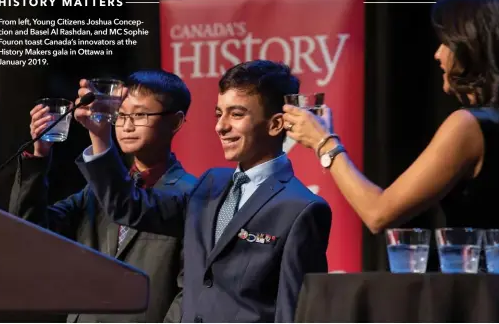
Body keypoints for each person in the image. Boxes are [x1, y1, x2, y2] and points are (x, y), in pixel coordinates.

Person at [73, 60, 332, 322]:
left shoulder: (301, 209)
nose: (221, 126)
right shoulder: (211, 184)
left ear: (276, 125)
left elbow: (296, 312)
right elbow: (128, 206)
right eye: (219, 114)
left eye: (237, 114)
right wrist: (100, 136)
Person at [282, 0, 499, 236]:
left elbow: (378, 214)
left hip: (484, 276)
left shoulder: (469, 127)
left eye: (447, 43)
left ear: (471, 47)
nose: (438, 54)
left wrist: (324, 141)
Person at [9, 69, 197, 323]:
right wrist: (40, 155)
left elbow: (189, 293)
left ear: (175, 122)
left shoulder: (190, 196)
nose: (127, 126)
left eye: (140, 115)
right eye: (120, 115)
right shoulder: (95, 193)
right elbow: (28, 232)